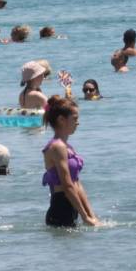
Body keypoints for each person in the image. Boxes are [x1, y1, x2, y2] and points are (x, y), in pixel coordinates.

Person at [42, 96, 98, 227]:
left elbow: (77, 183)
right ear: (61, 120)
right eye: (75, 119)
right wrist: (85, 217)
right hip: (60, 208)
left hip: (71, 207)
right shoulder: (57, 147)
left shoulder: (68, 147)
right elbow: (67, 186)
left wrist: (91, 215)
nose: (78, 123)